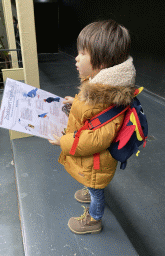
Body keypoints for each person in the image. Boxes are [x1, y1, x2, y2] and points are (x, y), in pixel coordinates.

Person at [48, 20, 136, 234]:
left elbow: (96, 139)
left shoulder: (107, 98)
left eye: (82, 53)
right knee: (92, 185)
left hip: (97, 163)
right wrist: (75, 100)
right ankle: (90, 188)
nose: (76, 57)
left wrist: (63, 141)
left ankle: (94, 220)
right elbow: (91, 109)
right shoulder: (100, 85)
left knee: (97, 193)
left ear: (102, 62)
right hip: (93, 163)